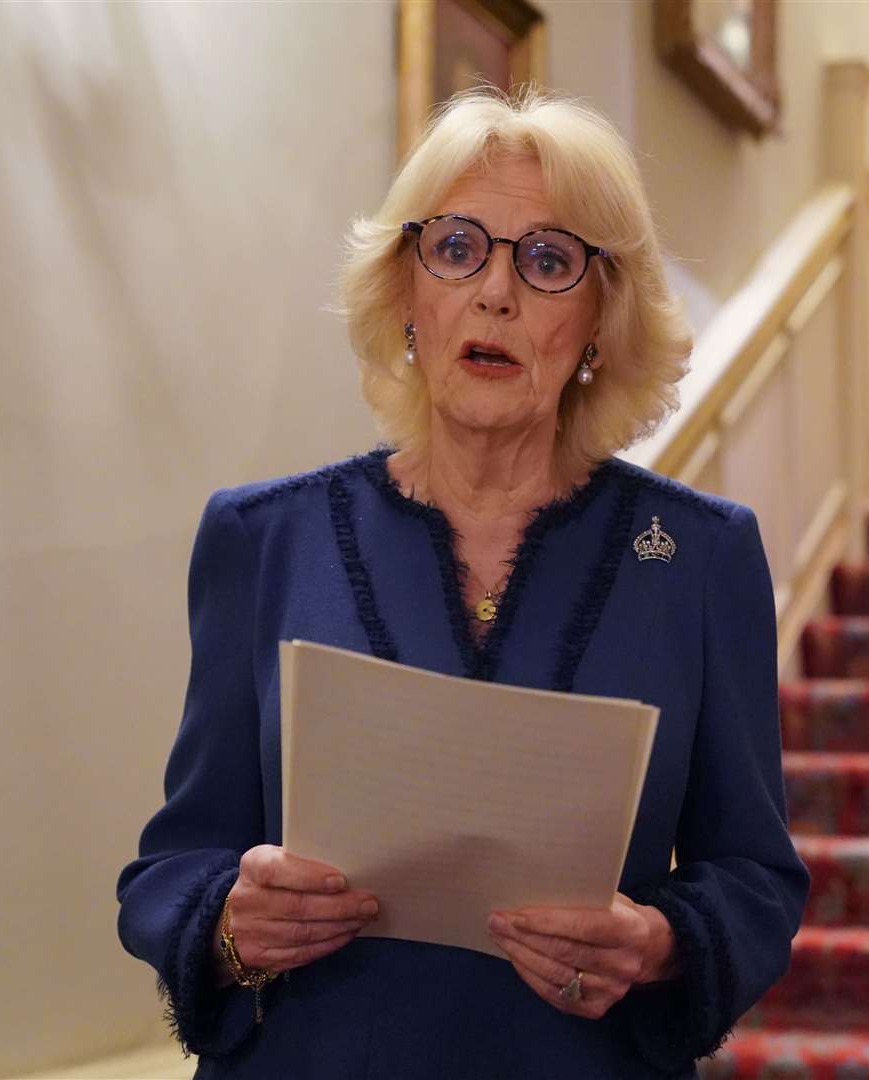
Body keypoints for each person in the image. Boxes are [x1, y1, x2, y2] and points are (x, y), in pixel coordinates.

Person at [117, 89, 808, 1079]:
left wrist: (660, 945)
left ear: (599, 321)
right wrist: (228, 925)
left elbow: (755, 878)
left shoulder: (699, 558)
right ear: (406, 291)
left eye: (548, 260)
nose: (495, 293)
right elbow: (171, 865)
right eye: (456, 248)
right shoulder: (262, 539)